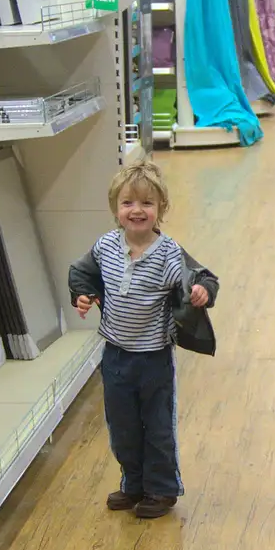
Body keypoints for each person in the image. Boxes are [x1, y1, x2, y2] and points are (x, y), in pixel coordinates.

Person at [65, 150, 220, 519]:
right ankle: (133, 484)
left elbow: (202, 278)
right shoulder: (106, 247)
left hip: (153, 359)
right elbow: (82, 272)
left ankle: (162, 490)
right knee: (122, 428)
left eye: (147, 203)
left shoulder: (167, 254)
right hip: (116, 356)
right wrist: (83, 296)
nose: (137, 210)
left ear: (160, 209)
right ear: (115, 208)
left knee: (156, 428)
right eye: (128, 202)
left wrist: (202, 293)